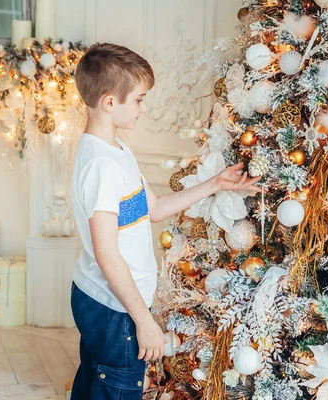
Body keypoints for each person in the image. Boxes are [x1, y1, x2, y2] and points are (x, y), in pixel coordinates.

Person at [70, 42, 261, 400]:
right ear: (110, 102)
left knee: (93, 385)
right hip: (115, 311)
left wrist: (215, 184)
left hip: (103, 299)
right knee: (117, 388)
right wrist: (144, 321)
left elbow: (153, 208)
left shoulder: (116, 150)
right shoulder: (102, 166)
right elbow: (107, 254)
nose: (144, 108)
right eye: (139, 99)